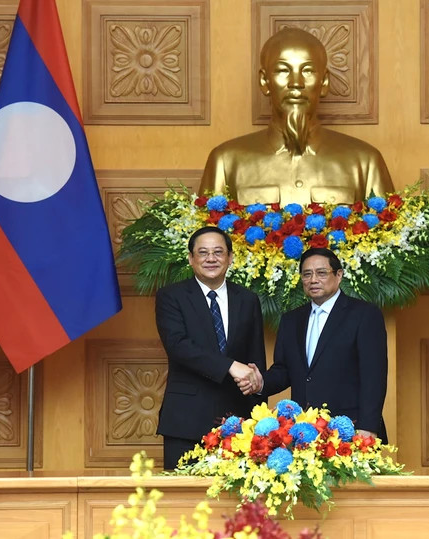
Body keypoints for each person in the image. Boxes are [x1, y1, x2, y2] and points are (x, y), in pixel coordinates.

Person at [198, 27, 393, 207]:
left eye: (307, 70)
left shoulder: (366, 162)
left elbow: (390, 240)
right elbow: (204, 238)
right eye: (283, 70)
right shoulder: (226, 161)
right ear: (264, 81)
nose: (296, 83)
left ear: (324, 81)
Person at [241, 247, 388, 441]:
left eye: (321, 273)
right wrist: (260, 383)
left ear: (339, 275)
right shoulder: (291, 320)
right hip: (303, 431)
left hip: (350, 429)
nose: (313, 280)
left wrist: (367, 426)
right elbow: (284, 370)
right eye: (307, 274)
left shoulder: (364, 315)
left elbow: (374, 376)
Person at [155, 226, 266, 469]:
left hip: (240, 423)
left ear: (230, 257)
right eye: (203, 252)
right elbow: (178, 346)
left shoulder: (247, 299)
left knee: (237, 503)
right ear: (190, 258)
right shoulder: (171, 296)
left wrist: (258, 386)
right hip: (186, 420)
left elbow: (255, 357)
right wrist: (230, 366)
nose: (211, 258)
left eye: (218, 252)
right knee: (183, 501)